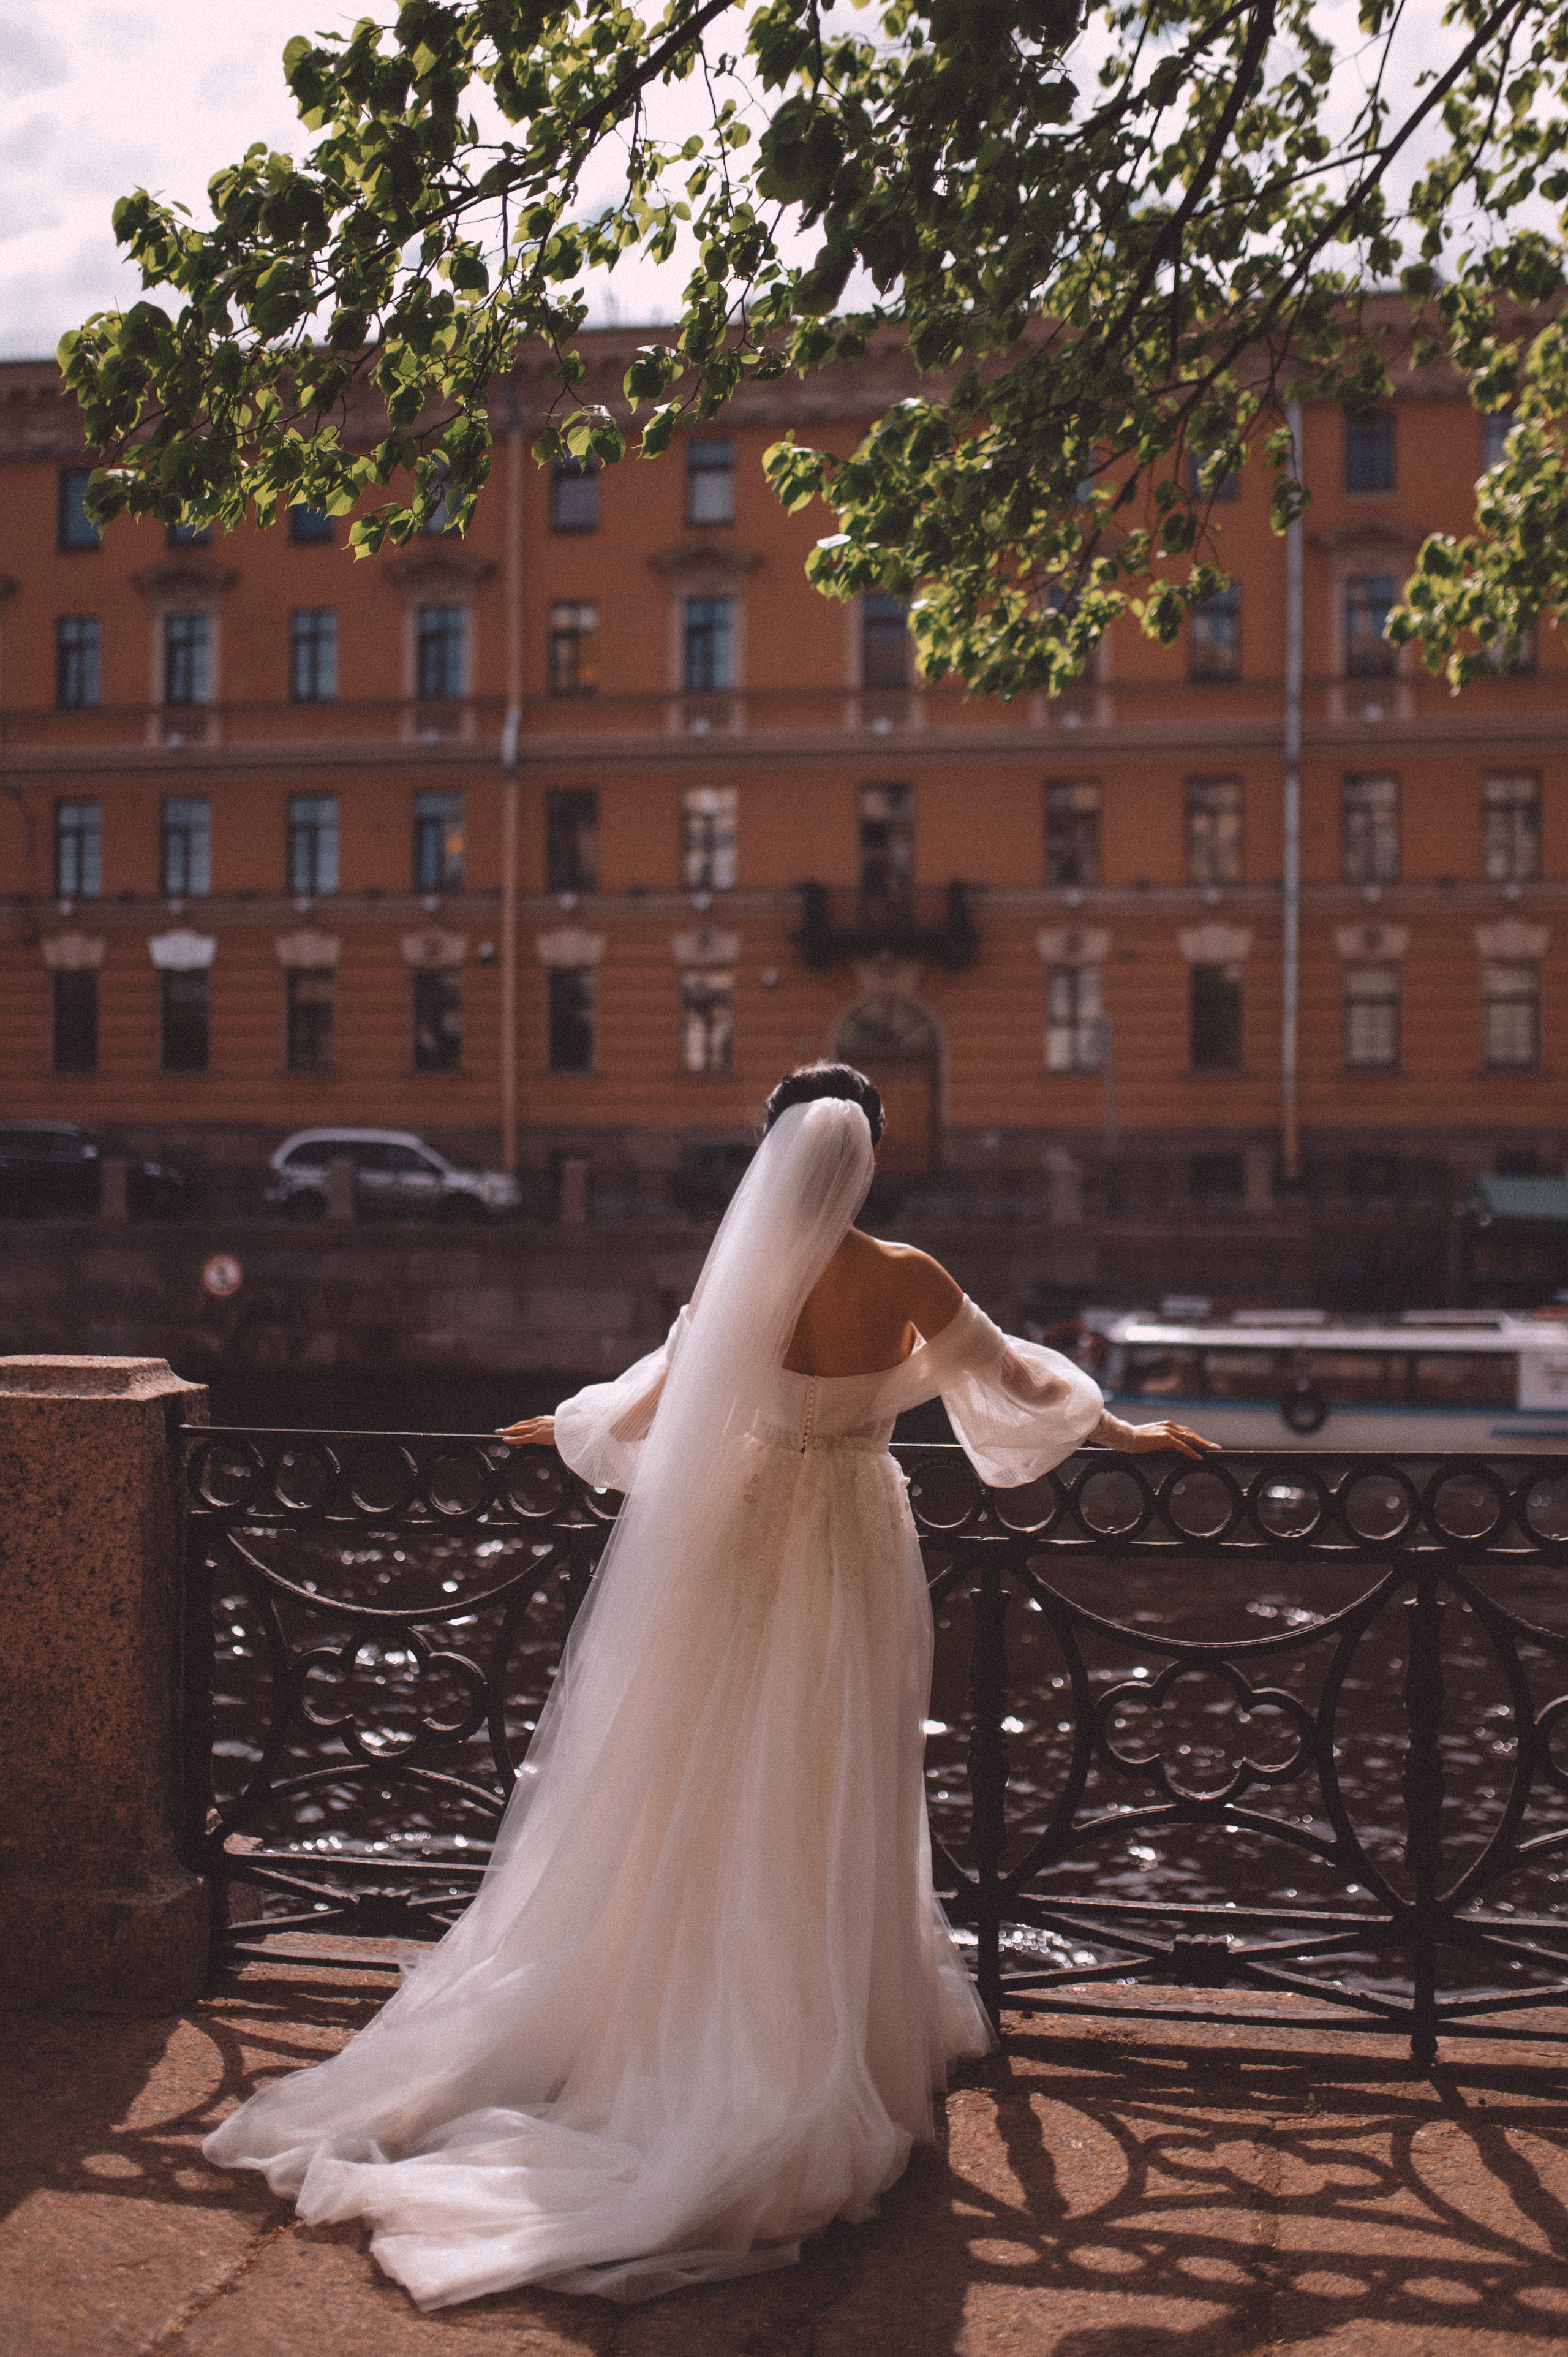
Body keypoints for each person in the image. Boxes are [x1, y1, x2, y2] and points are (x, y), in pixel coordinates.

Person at [204, 1063, 1216, 2310]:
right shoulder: (903, 1274)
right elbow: (1014, 1386)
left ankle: (685, 2008)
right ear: (869, 1157)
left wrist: (561, 1422)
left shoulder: (741, 1277)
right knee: (833, 1770)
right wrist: (1129, 1431)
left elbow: (662, 1400)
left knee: (707, 1765)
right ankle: (821, 2021)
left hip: (738, 1541)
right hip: (848, 1545)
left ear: (770, 1150)